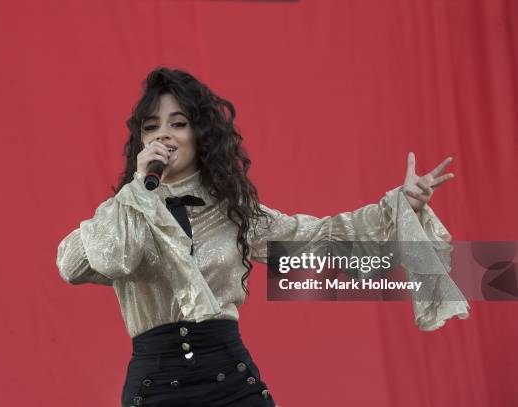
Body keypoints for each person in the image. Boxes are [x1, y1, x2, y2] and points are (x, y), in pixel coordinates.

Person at [56, 67, 469, 407]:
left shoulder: (233, 211)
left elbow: (319, 237)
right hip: (157, 388)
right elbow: (75, 264)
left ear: (200, 135)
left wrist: (400, 205)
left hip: (230, 381)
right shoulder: (127, 211)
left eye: (178, 124)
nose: (164, 135)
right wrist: (137, 192)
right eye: (152, 127)